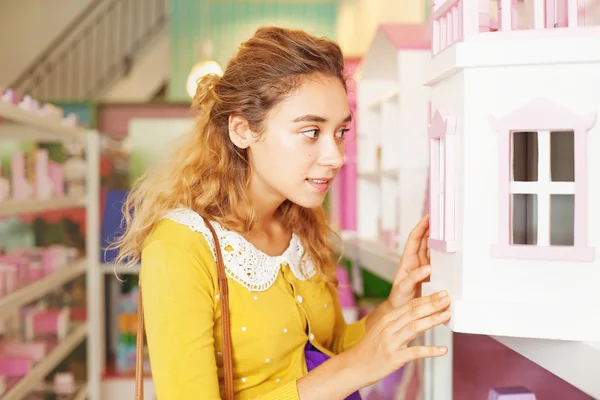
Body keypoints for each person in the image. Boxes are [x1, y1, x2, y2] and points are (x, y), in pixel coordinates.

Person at [112, 26, 451, 400]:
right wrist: (352, 370)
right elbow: (343, 367)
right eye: (310, 131)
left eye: (340, 132)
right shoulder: (179, 247)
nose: (335, 157)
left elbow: (330, 346)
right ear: (242, 130)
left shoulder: (302, 222)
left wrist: (394, 305)